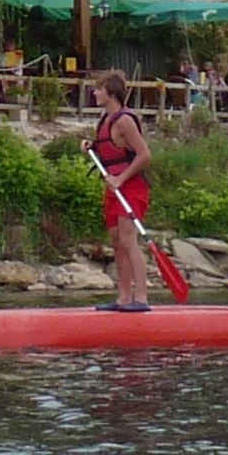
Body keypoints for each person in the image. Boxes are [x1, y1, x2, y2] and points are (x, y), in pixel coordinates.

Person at [88, 73, 159, 312]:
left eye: (99, 89)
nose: (95, 93)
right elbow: (110, 153)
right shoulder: (105, 121)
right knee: (117, 242)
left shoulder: (124, 121)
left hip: (131, 187)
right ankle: (123, 297)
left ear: (111, 93)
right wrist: (91, 147)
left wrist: (121, 178)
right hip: (114, 188)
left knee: (129, 241)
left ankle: (141, 298)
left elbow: (144, 155)